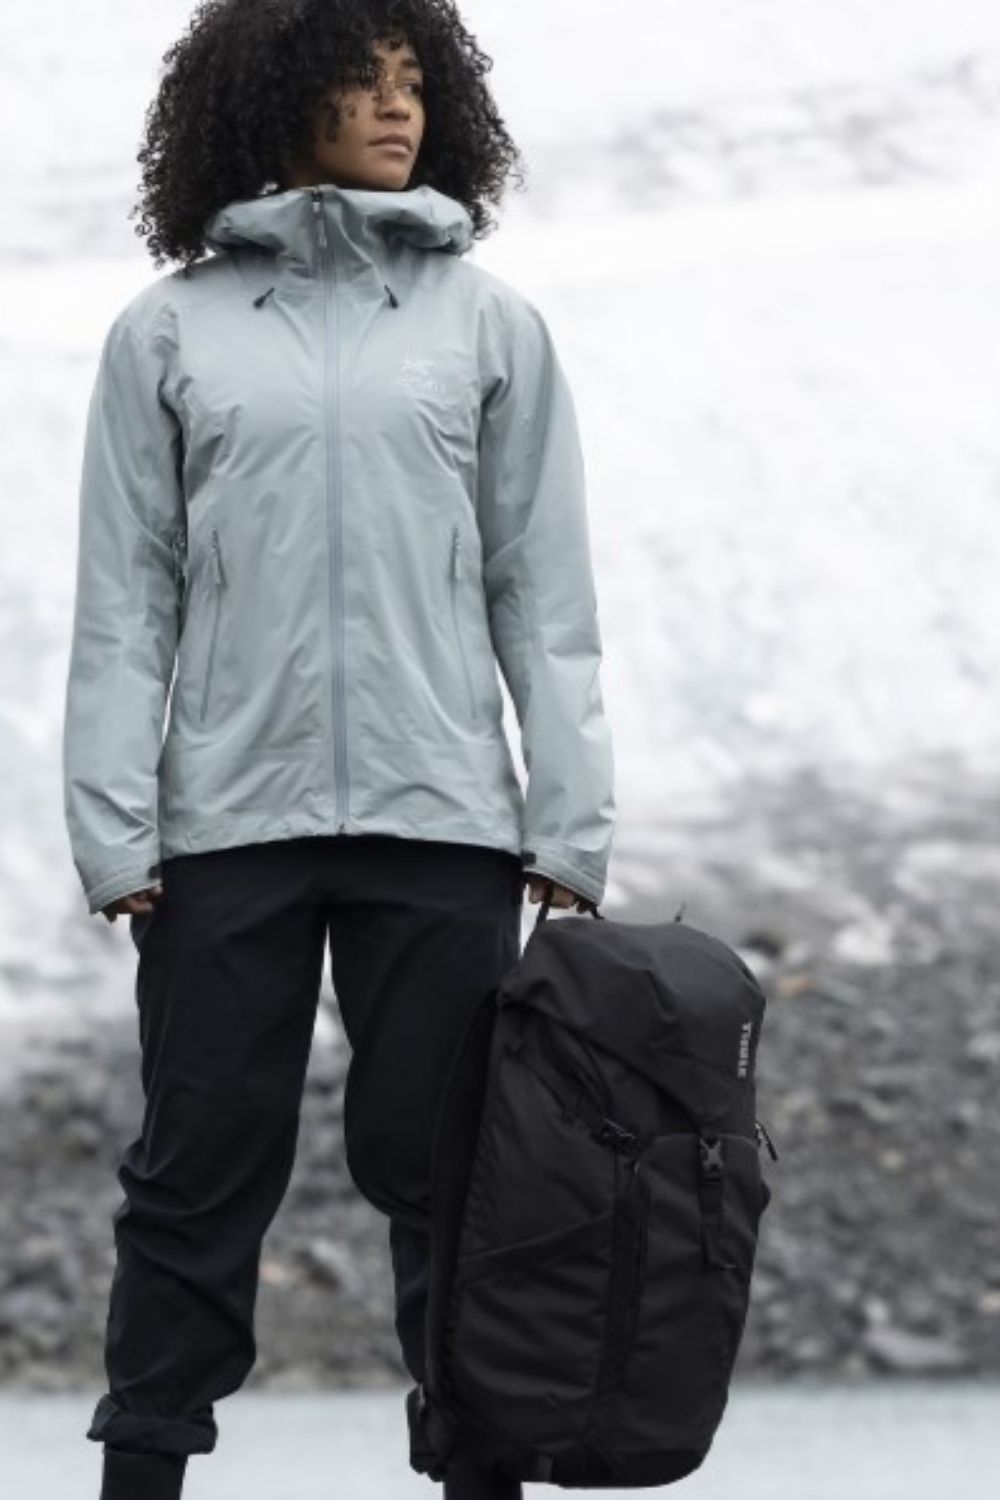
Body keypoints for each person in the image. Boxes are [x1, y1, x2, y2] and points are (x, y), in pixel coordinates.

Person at [61, 2, 615, 1497]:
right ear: (272, 102)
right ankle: (144, 1477)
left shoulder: (487, 325)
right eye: (361, 81)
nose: (396, 107)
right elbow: (127, 602)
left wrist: (568, 824)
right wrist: (115, 830)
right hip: (223, 831)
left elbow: (542, 594)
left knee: (453, 1179)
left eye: (414, 81)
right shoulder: (169, 331)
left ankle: (477, 1478)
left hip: (443, 825)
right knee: (194, 1180)